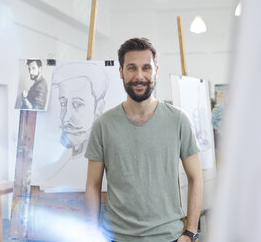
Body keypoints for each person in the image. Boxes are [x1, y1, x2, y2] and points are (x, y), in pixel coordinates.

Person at [85, 38, 204, 242]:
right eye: (131, 68)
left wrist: (190, 232)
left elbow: (196, 178)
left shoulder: (178, 120)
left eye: (146, 68)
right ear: (121, 72)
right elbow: (92, 185)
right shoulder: (103, 125)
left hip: (168, 237)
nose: (139, 76)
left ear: (155, 70)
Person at [32, 62, 109, 188]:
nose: (65, 117)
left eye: (77, 104)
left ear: (99, 108)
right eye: (63, 104)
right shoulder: (52, 170)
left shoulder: (108, 165)